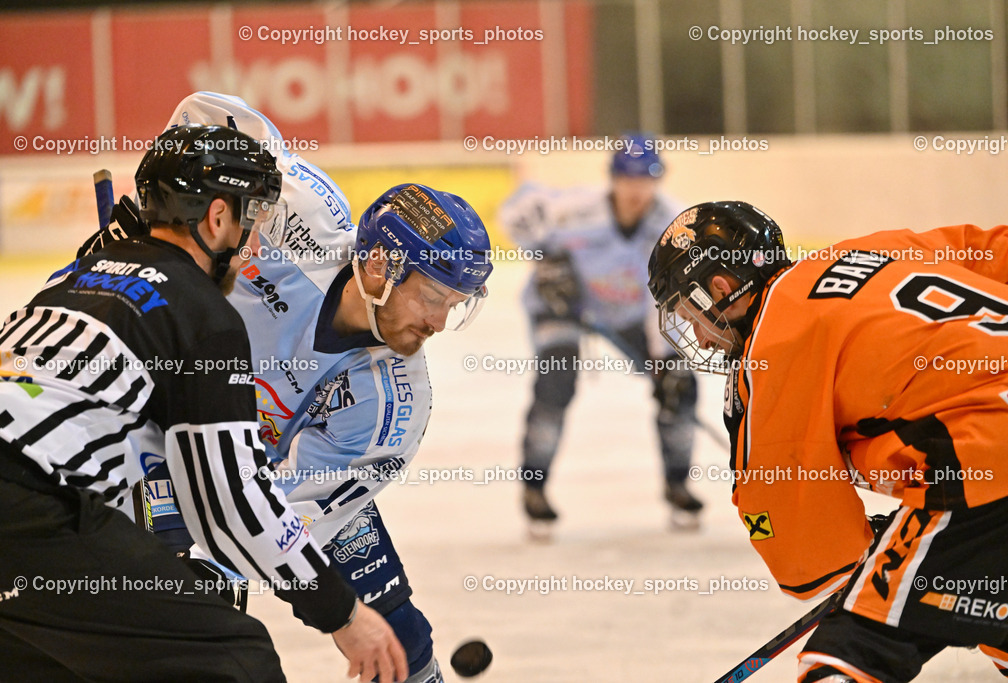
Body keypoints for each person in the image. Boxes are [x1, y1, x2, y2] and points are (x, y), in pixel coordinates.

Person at [0, 125, 407, 682]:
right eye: (250, 218)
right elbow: (230, 499)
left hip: (13, 521)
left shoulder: (73, 277)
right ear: (215, 218)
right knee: (239, 661)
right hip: (25, 510)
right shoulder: (202, 315)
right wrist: (342, 611)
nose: (253, 243)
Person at [130, 92, 493, 683]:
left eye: (453, 306)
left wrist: (222, 565)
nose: (439, 323)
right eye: (431, 298)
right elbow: (203, 115)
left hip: (252, 470)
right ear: (379, 267)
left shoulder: (394, 404)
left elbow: (291, 504)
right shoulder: (303, 213)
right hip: (157, 426)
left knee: (397, 632)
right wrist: (157, 216)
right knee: (172, 619)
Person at [647, 200, 1008, 682]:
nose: (700, 336)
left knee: (854, 651)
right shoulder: (874, 250)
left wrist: (865, 551)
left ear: (721, 287)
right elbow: (989, 249)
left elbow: (793, 531)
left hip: (984, 452)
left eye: (691, 311)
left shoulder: (771, 350)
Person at [501, 134, 702, 529]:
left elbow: (663, 300)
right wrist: (546, 261)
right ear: (612, 178)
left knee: (679, 384)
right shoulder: (575, 210)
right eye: (627, 179)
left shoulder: (672, 226)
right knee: (556, 383)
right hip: (561, 305)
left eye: (645, 179)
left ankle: (678, 484)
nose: (636, 190)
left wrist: (663, 362)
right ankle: (534, 487)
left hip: (628, 312)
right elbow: (516, 211)